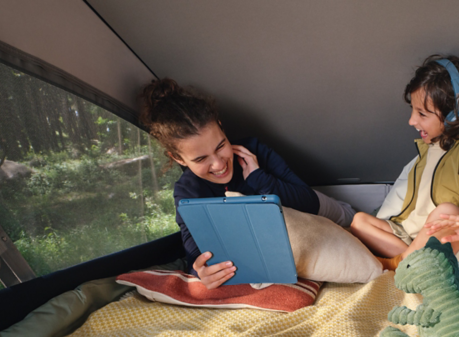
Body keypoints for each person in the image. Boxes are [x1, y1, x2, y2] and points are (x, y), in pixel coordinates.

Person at [140, 78, 355, 289]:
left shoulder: (254, 149)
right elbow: (195, 253)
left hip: (308, 209)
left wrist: (259, 179)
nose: (218, 164)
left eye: (220, 146)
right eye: (200, 159)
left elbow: (309, 202)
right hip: (284, 236)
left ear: (222, 129)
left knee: (350, 219)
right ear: (178, 159)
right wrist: (201, 271)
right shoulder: (188, 190)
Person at [350, 54, 459, 272]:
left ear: (452, 114)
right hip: (419, 236)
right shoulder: (428, 151)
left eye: (421, 113)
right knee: (360, 221)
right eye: (413, 111)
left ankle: (404, 264)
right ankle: (410, 259)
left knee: (446, 211)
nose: (412, 121)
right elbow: (396, 205)